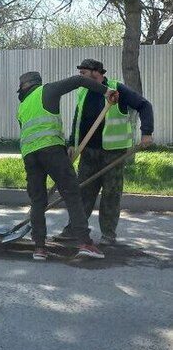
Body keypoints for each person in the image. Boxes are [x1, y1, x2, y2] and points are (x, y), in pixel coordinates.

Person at [16, 71, 118, 261]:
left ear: (23, 87)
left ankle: (39, 248)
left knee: (38, 201)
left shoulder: (22, 107)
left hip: (30, 157)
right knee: (72, 194)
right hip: (52, 152)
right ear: (37, 83)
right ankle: (85, 243)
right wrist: (106, 91)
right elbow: (79, 80)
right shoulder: (46, 90)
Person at [55, 59, 154, 245]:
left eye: (83, 73)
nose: (80, 77)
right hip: (88, 151)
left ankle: (108, 235)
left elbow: (144, 106)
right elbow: (78, 119)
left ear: (96, 73)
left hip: (113, 153)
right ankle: (74, 231)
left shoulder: (117, 89)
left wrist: (146, 133)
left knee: (111, 194)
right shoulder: (83, 90)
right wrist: (71, 144)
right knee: (82, 192)